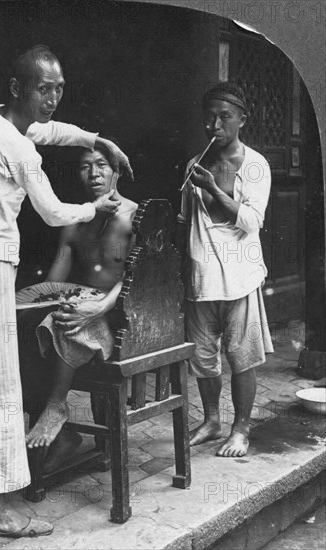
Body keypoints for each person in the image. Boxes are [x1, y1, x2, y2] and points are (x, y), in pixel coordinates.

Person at [0, 45, 133, 539]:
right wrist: (96, 208)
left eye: (59, 89)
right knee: (0, 386)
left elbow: (47, 130)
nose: (52, 99)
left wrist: (94, 138)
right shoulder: (19, 149)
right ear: (16, 88)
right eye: (43, 89)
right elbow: (51, 212)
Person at [23, 142, 138, 471]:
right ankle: (62, 435)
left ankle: (57, 405)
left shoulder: (135, 216)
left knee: (75, 321)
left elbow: (137, 280)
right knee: (30, 325)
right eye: (85, 166)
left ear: (116, 170)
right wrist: (52, 304)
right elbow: (56, 282)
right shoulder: (74, 221)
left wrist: (100, 307)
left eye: (101, 164)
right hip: (81, 310)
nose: (94, 172)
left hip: (120, 315)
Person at [176, 82, 273, 458]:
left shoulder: (255, 165)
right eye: (209, 118)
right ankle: (213, 420)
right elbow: (186, 220)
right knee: (202, 358)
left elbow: (250, 220)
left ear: (242, 120)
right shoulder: (194, 166)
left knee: (240, 356)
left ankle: (241, 429)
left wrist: (214, 190)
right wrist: (183, 269)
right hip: (202, 277)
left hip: (240, 278)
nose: (214, 125)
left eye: (224, 117)